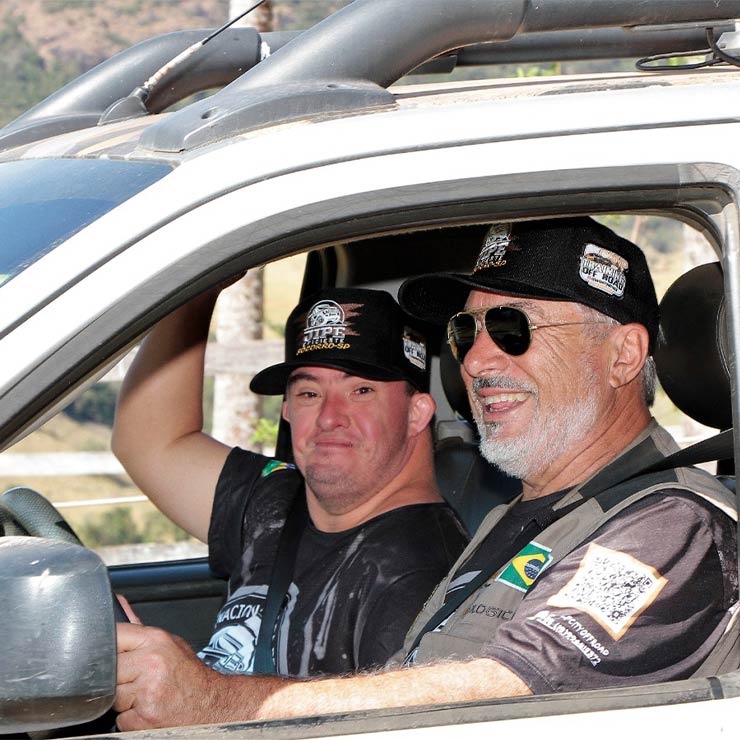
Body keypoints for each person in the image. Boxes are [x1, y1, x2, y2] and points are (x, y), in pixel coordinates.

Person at [115, 217, 738, 730]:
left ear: (624, 355)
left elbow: (509, 692)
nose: (476, 359)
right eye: (465, 331)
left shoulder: (670, 527)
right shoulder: (529, 516)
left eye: (513, 328)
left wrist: (219, 704)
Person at [112, 285, 468, 679]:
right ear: (286, 411)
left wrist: (193, 697)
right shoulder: (279, 497)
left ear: (417, 413)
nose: (329, 416)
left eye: (361, 391)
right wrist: (199, 288)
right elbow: (148, 441)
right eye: (309, 392)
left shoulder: (419, 575)